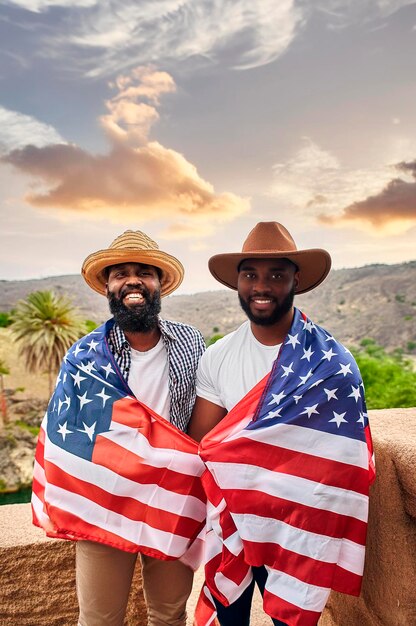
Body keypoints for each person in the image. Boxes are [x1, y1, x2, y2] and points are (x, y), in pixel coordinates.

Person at [188, 222, 375, 626]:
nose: (262, 285)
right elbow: (203, 443)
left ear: (296, 279)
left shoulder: (330, 365)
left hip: (296, 525)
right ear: (237, 282)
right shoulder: (218, 357)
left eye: (276, 274)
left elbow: (346, 453)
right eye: (251, 274)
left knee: (289, 620)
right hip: (233, 521)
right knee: (230, 618)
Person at [32, 230, 206, 626]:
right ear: (108, 287)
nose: (133, 280)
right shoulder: (87, 357)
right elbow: (65, 438)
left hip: (170, 499)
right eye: (121, 273)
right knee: (99, 618)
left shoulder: (190, 343)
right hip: (104, 505)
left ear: (160, 285)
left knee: (169, 614)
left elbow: (207, 415)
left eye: (144, 272)